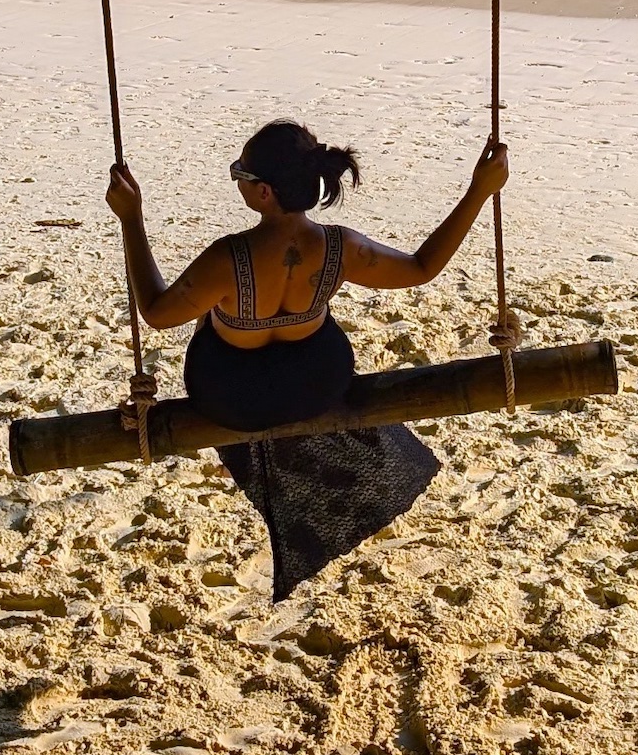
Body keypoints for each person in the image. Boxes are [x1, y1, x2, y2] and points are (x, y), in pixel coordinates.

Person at [104, 123, 510, 598]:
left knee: (211, 317)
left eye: (239, 173)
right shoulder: (340, 248)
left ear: (262, 192)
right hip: (316, 388)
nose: (236, 181)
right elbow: (421, 267)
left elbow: (154, 311)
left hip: (233, 397)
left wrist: (131, 219)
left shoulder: (228, 257)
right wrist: (479, 192)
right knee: (306, 320)